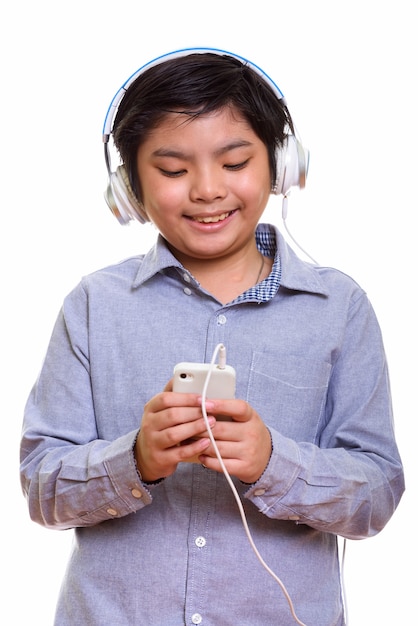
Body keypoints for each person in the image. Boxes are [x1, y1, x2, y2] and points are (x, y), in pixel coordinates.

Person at [20, 48, 405, 626]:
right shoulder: (94, 305)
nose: (206, 189)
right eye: (173, 170)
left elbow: (375, 495)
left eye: (233, 162)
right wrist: (135, 459)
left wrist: (275, 462)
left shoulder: (339, 308)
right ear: (128, 190)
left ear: (280, 164)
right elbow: (42, 489)